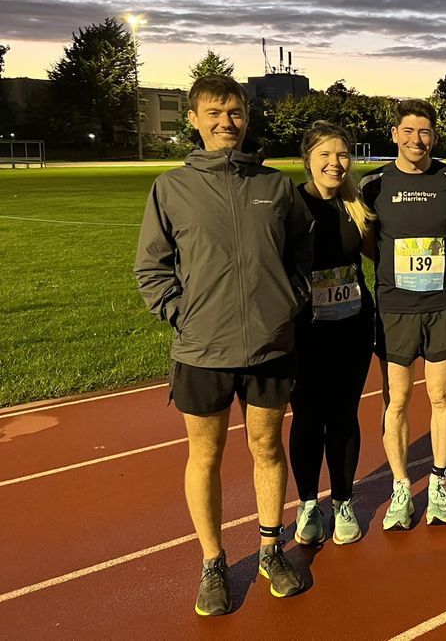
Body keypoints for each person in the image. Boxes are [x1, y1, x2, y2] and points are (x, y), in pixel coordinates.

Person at [134, 75, 313, 616]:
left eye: (234, 112)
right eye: (213, 113)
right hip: (202, 352)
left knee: (267, 447)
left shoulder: (275, 186)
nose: (225, 122)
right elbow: (151, 268)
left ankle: (270, 548)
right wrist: (183, 316)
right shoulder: (171, 188)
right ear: (193, 119)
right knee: (205, 455)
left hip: (270, 346)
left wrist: (289, 301)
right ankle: (213, 562)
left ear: (246, 117)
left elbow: (302, 255)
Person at [359, 99, 446, 530]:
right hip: (395, 308)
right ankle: (402, 486)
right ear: (394, 135)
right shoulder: (373, 184)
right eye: (408, 131)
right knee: (397, 399)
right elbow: (368, 242)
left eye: (424, 132)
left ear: (434, 137)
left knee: (442, 395)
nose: (416, 140)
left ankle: (439, 482)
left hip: (443, 305)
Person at [289, 121, 377, 547]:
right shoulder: (291, 204)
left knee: (343, 416)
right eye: (325, 154)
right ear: (307, 159)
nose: (335, 163)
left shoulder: (355, 205)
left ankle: (342, 500)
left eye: (342, 154)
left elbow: (380, 254)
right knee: (308, 417)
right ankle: (308, 503)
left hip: (352, 328)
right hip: (304, 332)